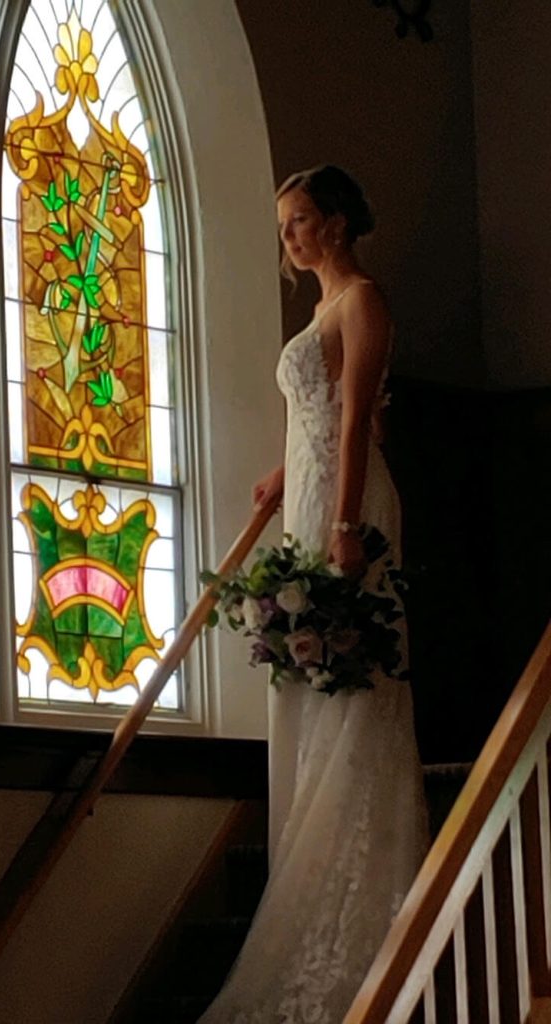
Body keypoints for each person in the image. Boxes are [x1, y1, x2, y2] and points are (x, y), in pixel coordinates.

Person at [197, 165, 429, 1023]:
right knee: (304, 691)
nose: (288, 238)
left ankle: (361, 904)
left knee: (352, 689)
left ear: (335, 223)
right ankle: (307, 863)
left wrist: (343, 529)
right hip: (304, 497)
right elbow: (316, 417)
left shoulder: (362, 300)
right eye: (283, 225)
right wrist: (280, 473)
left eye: (298, 221)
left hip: (344, 505)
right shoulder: (320, 311)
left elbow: (358, 418)